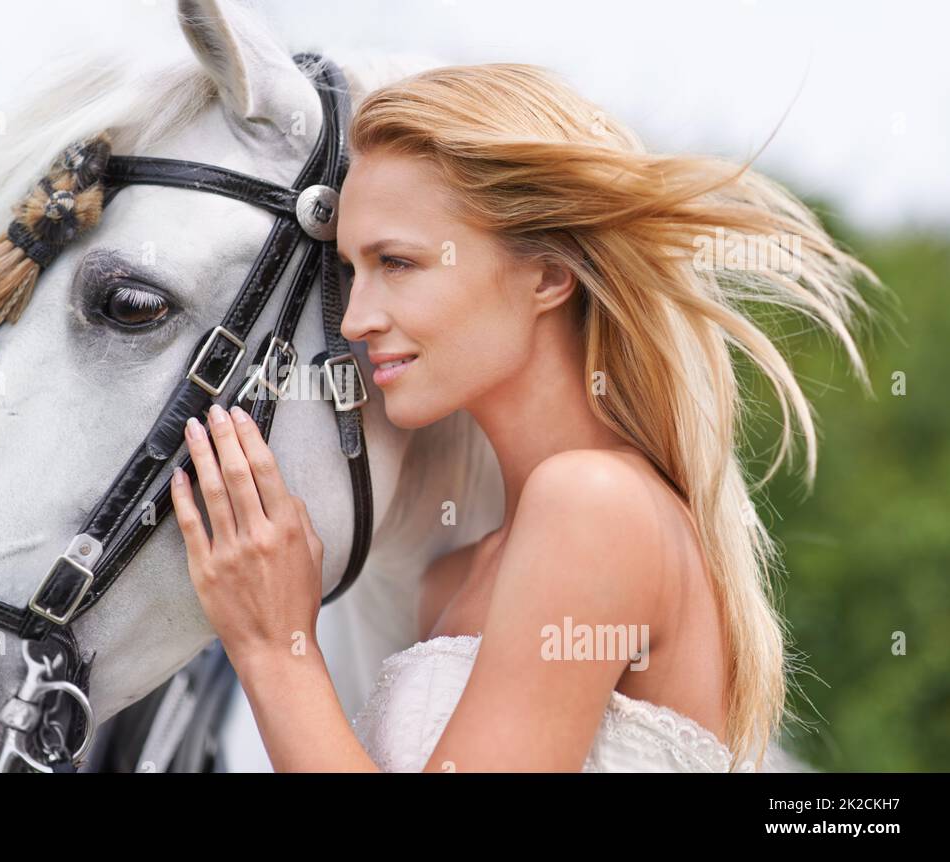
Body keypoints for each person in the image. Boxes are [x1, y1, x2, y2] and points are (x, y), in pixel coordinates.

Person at [168, 63, 879, 772]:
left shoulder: (596, 507)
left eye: (399, 263)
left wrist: (271, 647)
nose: (356, 318)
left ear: (546, 273)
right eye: (353, 271)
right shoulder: (456, 581)